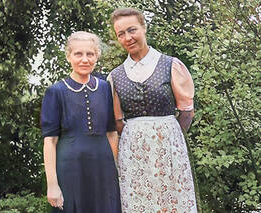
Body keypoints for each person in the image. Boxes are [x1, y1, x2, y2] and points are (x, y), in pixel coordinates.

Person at [107, 8, 198, 212]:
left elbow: (186, 112)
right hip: (134, 151)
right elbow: (118, 122)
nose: (127, 38)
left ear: (144, 27)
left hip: (169, 147)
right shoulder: (115, 76)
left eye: (132, 30)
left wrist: (169, 136)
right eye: (121, 34)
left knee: (174, 200)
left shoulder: (170, 65)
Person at [41, 31, 121, 213]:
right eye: (78, 54)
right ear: (69, 56)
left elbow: (111, 133)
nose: (84, 59)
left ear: (97, 56)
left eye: (90, 54)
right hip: (70, 168)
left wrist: (114, 169)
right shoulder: (55, 91)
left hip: (103, 168)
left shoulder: (105, 88)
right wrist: (52, 184)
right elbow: (50, 141)